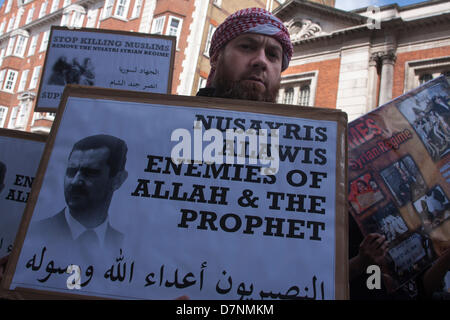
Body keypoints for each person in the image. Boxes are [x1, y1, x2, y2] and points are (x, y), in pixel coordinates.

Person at [28, 134, 128, 253]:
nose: (75, 181)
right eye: (71, 171)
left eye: (90, 173)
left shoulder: (124, 246)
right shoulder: (33, 234)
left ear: (118, 180)